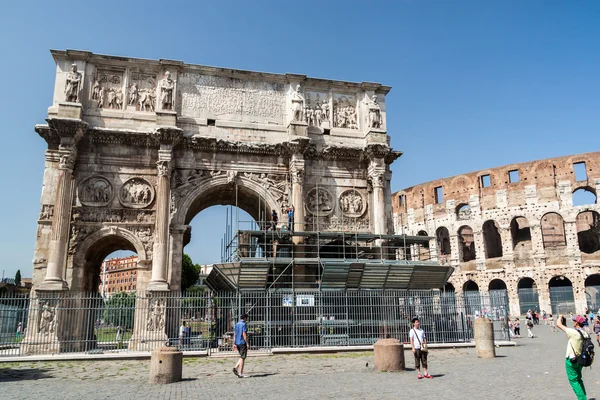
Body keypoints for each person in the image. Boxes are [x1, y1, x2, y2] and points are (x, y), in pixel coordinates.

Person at [557, 314, 589, 400]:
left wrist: (560, 317)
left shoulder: (574, 332)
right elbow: (569, 336)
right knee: (579, 379)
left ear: (577, 323)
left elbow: (558, 325)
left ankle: (582, 399)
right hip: (580, 360)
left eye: (574, 321)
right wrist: (565, 324)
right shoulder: (584, 333)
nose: (573, 322)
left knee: (574, 381)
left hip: (572, 360)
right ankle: (583, 396)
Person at [233, 313, 249, 378]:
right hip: (242, 342)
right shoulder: (244, 324)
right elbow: (244, 334)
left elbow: (235, 334)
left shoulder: (237, 324)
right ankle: (240, 372)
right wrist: (247, 343)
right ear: (245, 318)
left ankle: (236, 367)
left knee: (241, 356)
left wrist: (234, 343)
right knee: (243, 357)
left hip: (237, 342)